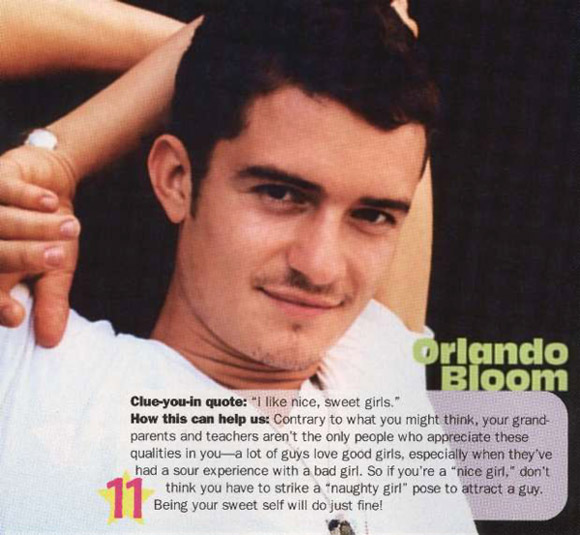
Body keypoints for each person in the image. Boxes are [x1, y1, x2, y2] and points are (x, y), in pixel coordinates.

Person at [0, 1, 475, 533]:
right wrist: (60, 155)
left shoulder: (380, 381)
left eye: (371, 216)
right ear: (177, 178)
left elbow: (385, 28)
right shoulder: (37, 386)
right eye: (281, 194)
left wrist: (227, 53)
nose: (320, 268)